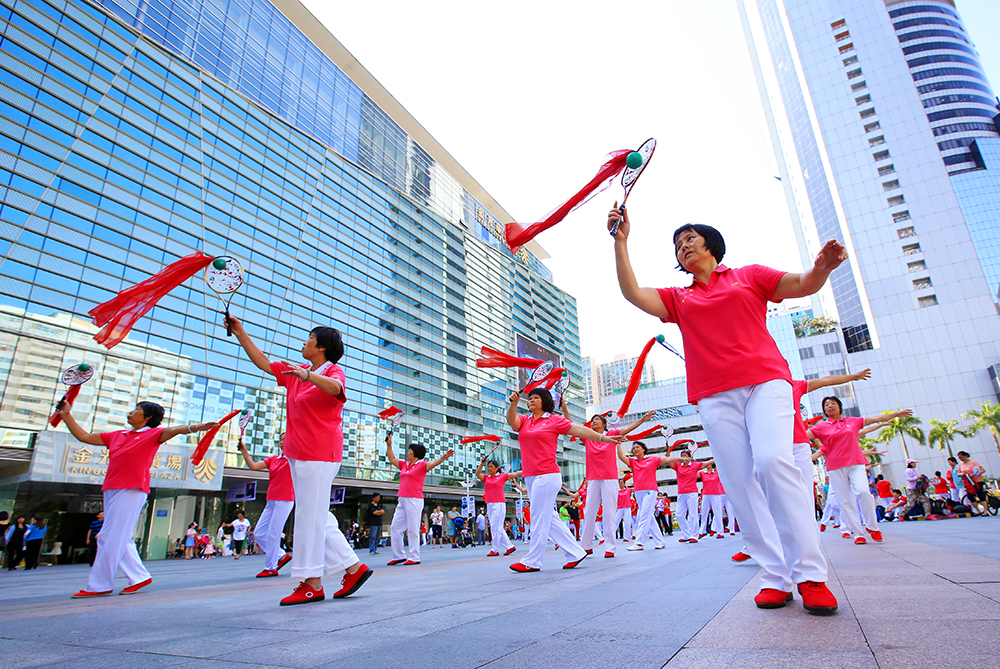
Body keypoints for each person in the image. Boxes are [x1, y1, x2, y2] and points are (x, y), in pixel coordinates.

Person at [609, 208, 845, 614]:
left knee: (772, 462)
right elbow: (633, 293)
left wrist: (821, 268)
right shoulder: (678, 298)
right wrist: (621, 241)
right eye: (677, 244)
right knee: (738, 481)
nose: (683, 246)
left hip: (766, 381)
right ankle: (775, 575)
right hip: (714, 394)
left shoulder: (749, 275)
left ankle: (810, 574)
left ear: (711, 245)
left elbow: (803, 283)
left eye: (690, 238)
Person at [226, 315, 371, 605]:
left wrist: (309, 377)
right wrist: (240, 332)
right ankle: (353, 567)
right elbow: (263, 363)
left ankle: (311, 582)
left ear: (322, 347)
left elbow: (336, 389)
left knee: (307, 516)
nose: (304, 342)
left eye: (310, 339)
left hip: (320, 453)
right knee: (316, 514)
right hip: (298, 452)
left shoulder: (332, 371)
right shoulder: (296, 371)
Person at [60, 400, 216, 597]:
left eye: (137, 410)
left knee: (109, 537)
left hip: (132, 489)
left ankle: (100, 585)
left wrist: (196, 427)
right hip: (111, 488)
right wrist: (66, 415)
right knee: (120, 536)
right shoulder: (117, 435)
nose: (131, 412)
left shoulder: (152, 434)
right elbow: (84, 436)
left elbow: (174, 430)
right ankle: (139, 576)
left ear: (148, 417)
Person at [505, 387, 621, 572]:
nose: (531, 400)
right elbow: (512, 422)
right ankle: (575, 552)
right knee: (549, 518)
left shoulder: (554, 420)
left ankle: (533, 561)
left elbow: (578, 429)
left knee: (538, 517)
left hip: (547, 475)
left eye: (536, 398)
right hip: (530, 476)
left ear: (545, 401)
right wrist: (513, 404)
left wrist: (602, 438)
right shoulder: (525, 420)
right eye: (530, 398)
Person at [808, 397, 909, 545]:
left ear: (839, 407)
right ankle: (858, 534)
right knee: (846, 502)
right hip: (835, 467)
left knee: (863, 492)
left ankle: (873, 527)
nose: (830, 406)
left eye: (833, 404)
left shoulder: (852, 422)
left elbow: (875, 419)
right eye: (827, 405)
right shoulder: (820, 427)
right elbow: (800, 436)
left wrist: (896, 414)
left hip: (856, 464)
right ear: (824, 410)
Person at [571, 410, 652, 558]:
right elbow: (571, 426)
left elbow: (627, 429)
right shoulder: (587, 436)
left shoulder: (611, 434)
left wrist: (642, 419)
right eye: (592, 420)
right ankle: (586, 546)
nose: (593, 422)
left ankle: (610, 547)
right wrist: (564, 408)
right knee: (588, 512)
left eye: (597, 419)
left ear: (604, 424)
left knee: (609, 513)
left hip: (609, 478)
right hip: (592, 479)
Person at [385, 433, 454, 566]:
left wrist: (443, 457)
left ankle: (414, 556)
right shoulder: (404, 465)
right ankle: (398, 556)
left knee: (412, 528)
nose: (408, 453)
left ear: (416, 453)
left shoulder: (422, 465)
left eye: (410, 451)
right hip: (402, 499)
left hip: (414, 500)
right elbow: (392, 458)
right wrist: (389, 445)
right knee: (395, 528)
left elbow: (433, 464)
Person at [238, 437, 295, 577]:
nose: (282, 442)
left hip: (285, 499)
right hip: (271, 500)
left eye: (285, 439)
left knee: (274, 533)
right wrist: (245, 452)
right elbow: (253, 466)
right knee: (258, 533)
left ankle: (271, 567)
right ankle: (281, 555)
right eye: (280, 439)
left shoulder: (294, 459)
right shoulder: (273, 459)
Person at [617, 441, 669, 551]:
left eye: (637, 447)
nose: (635, 449)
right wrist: (618, 443)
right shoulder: (633, 462)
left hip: (650, 490)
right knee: (649, 517)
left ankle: (639, 542)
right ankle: (660, 541)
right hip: (638, 492)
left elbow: (667, 460)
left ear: (643, 449)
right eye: (633, 448)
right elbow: (621, 456)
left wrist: (682, 459)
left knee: (644, 515)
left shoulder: (652, 459)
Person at [475, 456, 521, 557]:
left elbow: (516, 474)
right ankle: (510, 546)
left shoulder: (502, 476)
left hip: (499, 504)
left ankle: (495, 549)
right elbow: (478, 474)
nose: (489, 468)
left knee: (496, 527)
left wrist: (530, 470)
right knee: (496, 527)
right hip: (489, 504)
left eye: (491, 466)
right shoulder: (486, 477)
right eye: (488, 466)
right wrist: (482, 463)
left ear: (497, 468)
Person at [670, 449, 712, 543]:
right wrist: (668, 453)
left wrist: (717, 457)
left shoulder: (695, 465)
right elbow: (669, 462)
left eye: (685, 455)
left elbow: (707, 463)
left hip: (692, 493)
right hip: (681, 493)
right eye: (682, 455)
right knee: (679, 515)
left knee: (693, 514)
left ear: (689, 457)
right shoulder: (678, 466)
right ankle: (687, 535)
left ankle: (694, 536)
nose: (683, 457)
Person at [698, 464, 726, 539]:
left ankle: (720, 532)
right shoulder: (702, 473)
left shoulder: (717, 473)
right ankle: (702, 531)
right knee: (704, 513)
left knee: (717, 513)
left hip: (715, 495)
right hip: (706, 495)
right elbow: (693, 473)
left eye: (709, 464)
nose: (707, 465)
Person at [614, 480, 634, 546]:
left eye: (622, 482)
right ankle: (611, 536)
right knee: (615, 521)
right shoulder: (617, 491)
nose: (620, 484)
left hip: (627, 507)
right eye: (619, 483)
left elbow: (635, 489)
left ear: (624, 483)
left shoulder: (628, 490)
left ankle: (627, 537)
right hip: (620, 507)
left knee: (627, 522)